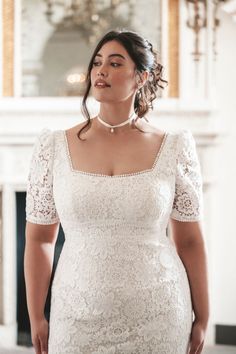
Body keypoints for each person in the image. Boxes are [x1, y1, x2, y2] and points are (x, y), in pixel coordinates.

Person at [24, 29, 209, 354]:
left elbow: (190, 241)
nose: (101, 71)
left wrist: (203, 317)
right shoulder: (53, 146)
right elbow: (40, 239)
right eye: (97, 63)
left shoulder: (175, 147)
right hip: (75, 315)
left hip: (160, 312)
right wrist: (36, 315)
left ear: (141, 77)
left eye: (115, 62)